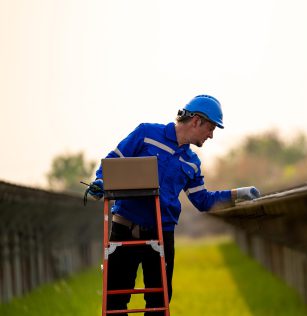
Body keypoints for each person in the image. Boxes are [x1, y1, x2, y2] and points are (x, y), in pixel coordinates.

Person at [88, 95, 260, 315]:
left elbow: (203, 201)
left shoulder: (192, 163)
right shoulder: (146, 134)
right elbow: (113, 160)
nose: (211, 135)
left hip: (162, 235)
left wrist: (238, 194)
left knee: (159, 305)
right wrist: (101, 181)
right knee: (115, 302)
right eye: (210, 128)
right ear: (197, 121)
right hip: (125, 230)